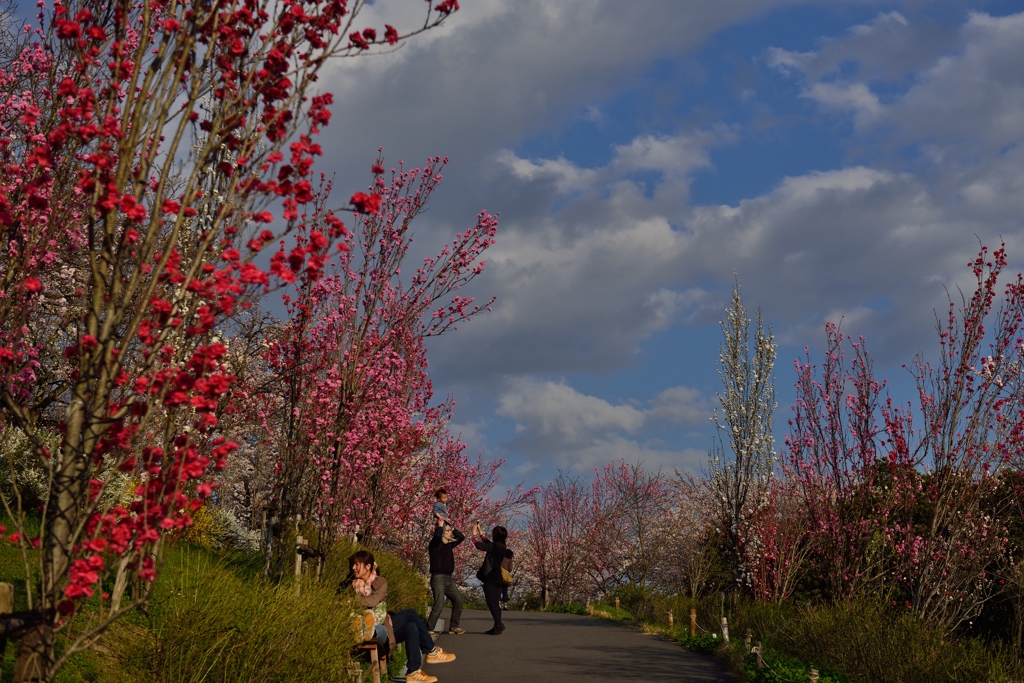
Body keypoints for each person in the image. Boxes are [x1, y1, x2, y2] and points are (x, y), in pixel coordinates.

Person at [349, 550, 455, 683]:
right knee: (411, 621)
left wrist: (353, 602)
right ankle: (427, 656)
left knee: (411, 622)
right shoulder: (351, 585)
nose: (354, 568)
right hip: (371, 626)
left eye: (357, 564)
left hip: (385, 625)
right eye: (353, 564)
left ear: (368, 566)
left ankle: (416, 669)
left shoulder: (380, 582)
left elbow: (373, 601)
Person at [427, 515, 466, 635]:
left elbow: (461, 537)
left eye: (450, 531)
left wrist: (452, 527)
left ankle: (454, 627)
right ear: (442, 532)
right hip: (438, 578)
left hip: (448, 579)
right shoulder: (435, 545)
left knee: (458, 600)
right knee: (439, 604)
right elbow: (437, 537)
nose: (450, 533)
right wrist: (440, 526)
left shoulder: (449, 544)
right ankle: (429, 629)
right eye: (447, 531)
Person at [472, 524, 507, 635]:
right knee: (495, 603)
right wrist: (480, 531)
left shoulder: (494, 546)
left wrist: (474, 534)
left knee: (491, 603)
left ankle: (498, 624)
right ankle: (497, 626)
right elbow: (488, 543)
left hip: (490, 578)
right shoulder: (501, 546)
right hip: (498, 578)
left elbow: (479, 545)